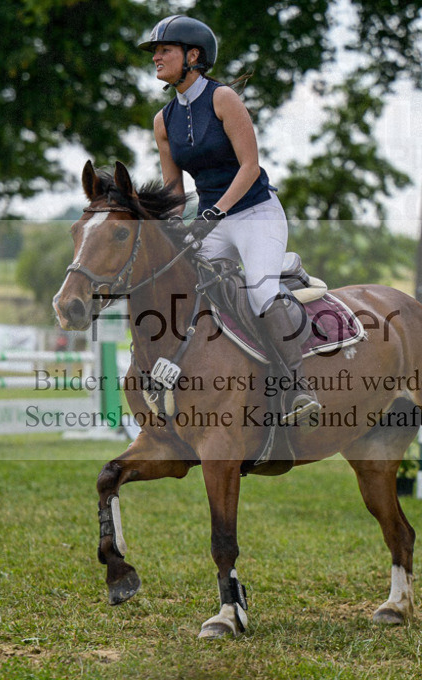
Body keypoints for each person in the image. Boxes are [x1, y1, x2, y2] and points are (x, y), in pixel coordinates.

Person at [139, 15, 321, 427]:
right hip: (210, 221)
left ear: (193, 56)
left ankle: (297, 386)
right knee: (177, 288)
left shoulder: (223, 99)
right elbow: (173, 190)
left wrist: (215, 212)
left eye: (164, 49)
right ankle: (167, 378)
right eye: (155, 51)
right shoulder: (162, 120)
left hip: (255, 213)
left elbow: (251, 167)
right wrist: (158, 223)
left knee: (259, 295)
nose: (156, 57)